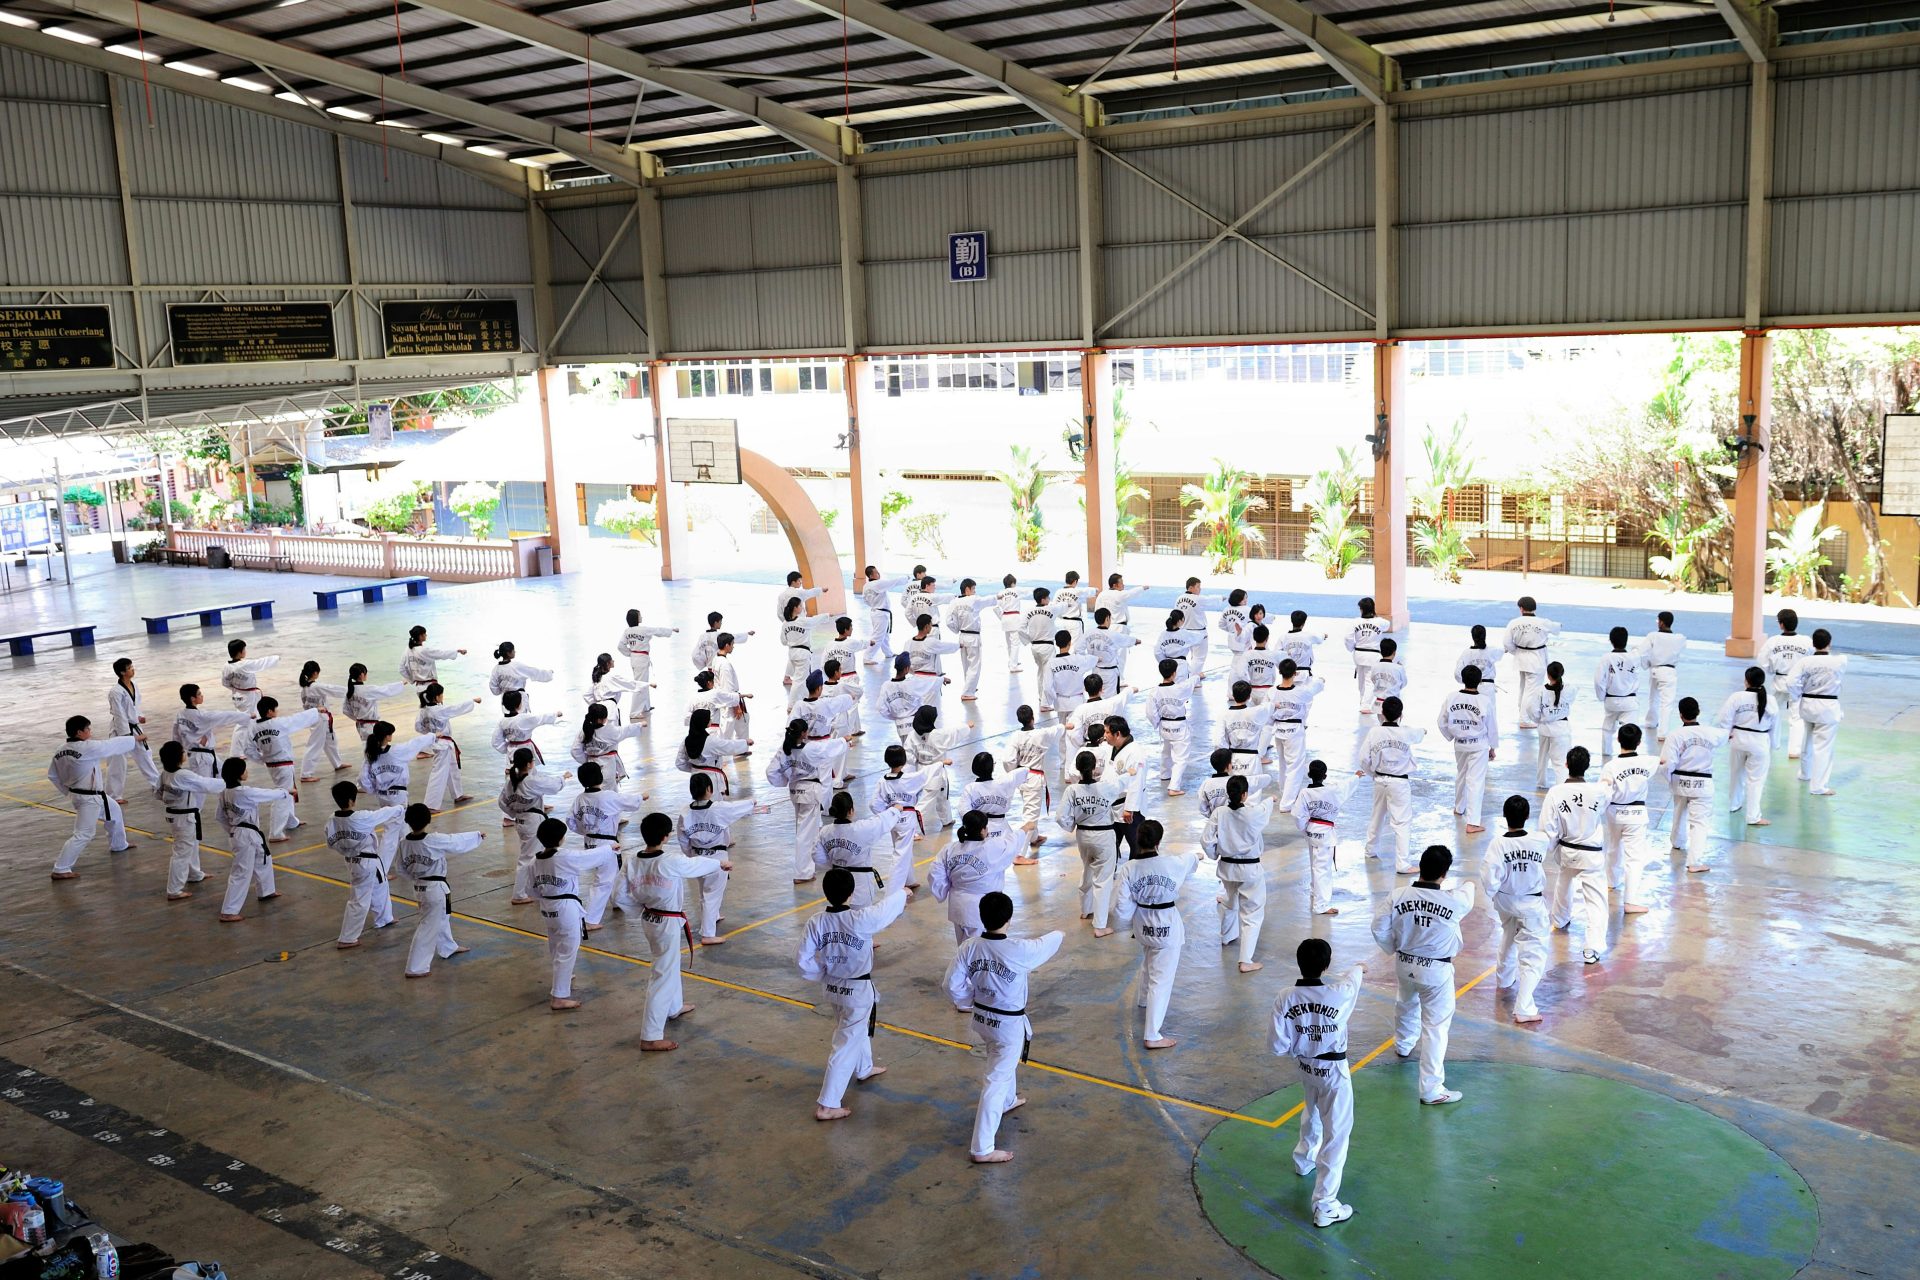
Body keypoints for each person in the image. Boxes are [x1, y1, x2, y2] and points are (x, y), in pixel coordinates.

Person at [943, 890, 1064, 1164]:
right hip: (1008, 1024)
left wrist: (968, 1001)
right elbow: (1048, 943)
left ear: (982, 917)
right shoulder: (1018, 950)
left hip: (983, 1018)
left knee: (999, 1060)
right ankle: (982, 1147)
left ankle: (1008, 1101)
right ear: (1009, 918)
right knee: (995, 1078)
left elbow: (950, 984)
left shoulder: (969, 947)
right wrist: (1061, 932)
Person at [797, 870, 911, 1119]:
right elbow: (884, 911)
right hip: (856, 991)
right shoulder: (860, 918)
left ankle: (864, 1067)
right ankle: (828, 1104)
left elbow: (803, 959)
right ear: (851, 893)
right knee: (845, 1042)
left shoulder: (816, 921)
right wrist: (902, 893)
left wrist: (822, 974)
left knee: (851, 1028)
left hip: (833, 988)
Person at [1269, 937, 1365, 1229]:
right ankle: (1325, 1205)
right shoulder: (1339, 993)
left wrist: (1301, 1046)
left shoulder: (1285, 996)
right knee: (1337, 1134)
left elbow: (1276, 1045)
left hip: (1306, 1065)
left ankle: (1304, 1159)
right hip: (1333, 1070)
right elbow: (1354, 979)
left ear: (1299, 964)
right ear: (1326, 966)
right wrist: (1360, 966)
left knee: (1312, 1110)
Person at [1372, 844, 1475, 1105]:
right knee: (1435, 1027)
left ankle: (1404, 1045)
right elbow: (1470, 890)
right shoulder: (1454, 900)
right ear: (1445, 873)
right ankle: (1431, 1090)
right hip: (1436, 971)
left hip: (1404, 962)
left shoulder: (1398, 895)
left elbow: (1378, 928)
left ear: (1420, 866)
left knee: (1405, 1003)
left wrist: (1392, 948)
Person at [631, 811, 727, 1044]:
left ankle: (673, 1006)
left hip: (650, 918)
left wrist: (642, 911)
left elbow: (621, 895)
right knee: (662, 973)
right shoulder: (669, 861)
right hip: (666, 921)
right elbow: (694, 865)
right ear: (666, 836)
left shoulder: (633, 861)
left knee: (668, 963)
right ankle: (650, 1036)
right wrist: (720, 863)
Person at [1112, 819, 1198, 1049]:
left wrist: (1135, 912)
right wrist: (1196, 857)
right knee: (1162, 979)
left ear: (1138, 840)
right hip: (1167, 926)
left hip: (1142, 925)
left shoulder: (1129, 868)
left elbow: (1121, 908)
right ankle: (1152, 1034)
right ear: (1159, 842)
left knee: (1149, 960)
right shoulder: (1171, 864)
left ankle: (1142, 1000)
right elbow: (1190, 860)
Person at [48, 715, 143, 880]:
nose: (90, 732)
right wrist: (134, 739)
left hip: (89, 795)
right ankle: (61, 868)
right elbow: (110, 745)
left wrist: (68, 792)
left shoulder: (60, 750)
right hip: (89, 799)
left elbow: (53, 776)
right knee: (84, 833)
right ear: (79, 732)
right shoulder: (87, 747)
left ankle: (119, 844)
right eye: (88, 729)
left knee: (114, 812)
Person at [395, 803, 485, 977]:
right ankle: (415, 968)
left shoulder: (403, 843)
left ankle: (447, 947)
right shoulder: (433, 840)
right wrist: (477, 836)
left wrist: (417, 876)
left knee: (442, 916)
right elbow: (455, 842)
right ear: (428, 820)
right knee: (428, 925)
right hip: (435, 888)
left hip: (421, 887)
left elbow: (400, 869)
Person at [1483, 794, 1548, 1024]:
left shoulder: (1497, 844)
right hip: (1531, 903)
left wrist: (1494, 894)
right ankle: (1524, 1007)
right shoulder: (1539, 840)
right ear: (1528, 816)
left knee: (1509, 936)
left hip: (1505, 900)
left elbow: (1489, 877)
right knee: (1534, 954)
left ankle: (1503, 979)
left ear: (1504, 817)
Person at [528, 817, 604, 1012]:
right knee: (567, 950)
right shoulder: (564, 857)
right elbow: (588, 858)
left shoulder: (534, 862)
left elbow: (531, 892)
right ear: (562, 838)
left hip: (547, 907)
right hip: (565, 907)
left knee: (555, 943)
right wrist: (609, 849)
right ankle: (559, 997)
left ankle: (563, 975)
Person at [1543, 746, 1610, 965]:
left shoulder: (1555, 792)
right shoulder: (1598, 792)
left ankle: (1559, 919)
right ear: (1587, 767)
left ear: (1566, 765)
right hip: (1591, 855)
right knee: (1596, 901)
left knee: (1565, 880)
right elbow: (1608, 790)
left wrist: (1550, 849)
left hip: (1567, 850)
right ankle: (1592, 947)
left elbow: (1547, 827)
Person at [567, 760, 648, 929]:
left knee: (612, 875)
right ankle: (590, 919)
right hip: (606, 844)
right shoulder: (607, 796)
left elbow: (571, 821)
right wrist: (642, 797)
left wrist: (586, 831)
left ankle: (617, 900)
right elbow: (628, 801)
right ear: (600, 777)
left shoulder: (579, 799)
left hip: (589, 842)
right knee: (603, 881)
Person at [1208, 773, 1276, 973]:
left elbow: (1207, 840)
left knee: (1230, 901)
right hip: (1249, 870)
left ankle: (1226, 937)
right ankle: (1245, 960)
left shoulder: (1219, 813)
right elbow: (1265, 808)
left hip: (1227, 868)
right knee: (1252, 913)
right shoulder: (1253, 813)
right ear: (1245, 794)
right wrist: (1270, 799)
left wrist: (1216, 854)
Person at [769, 719, 851, 881]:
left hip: (795, 790)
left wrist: (785, 780)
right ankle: (802, 872)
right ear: (804, 733)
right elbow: (829, 748)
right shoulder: (811, 748)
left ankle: (810, 865)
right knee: (805, 833)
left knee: (808, 830)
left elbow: (771, 772)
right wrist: (844, 741)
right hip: (810, 792)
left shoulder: (784, 750)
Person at [211, 756, 289, 921]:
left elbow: (220, 817)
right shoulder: (243, 792)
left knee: (263, 858)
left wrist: (232, 830)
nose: (247, 771)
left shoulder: (225, 793)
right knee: (241, 872)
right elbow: (266, 794)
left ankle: (266, 891)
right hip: (245, 834)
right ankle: (229, 911)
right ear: (239, 774)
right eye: (244, 769)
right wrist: (285, 792)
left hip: (243, 833)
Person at [328, 780, 405, 947]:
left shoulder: (332, 820)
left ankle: (384, 918)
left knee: (380, 883)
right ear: (351, 800)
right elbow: (382, 814)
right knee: (360, 899)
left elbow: (331, 842)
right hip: (365, 861)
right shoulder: (360, 817)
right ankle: (347, 938)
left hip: (354, 860)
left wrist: (347, 849)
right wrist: (400, 808)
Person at [928, 811, 1023, 945]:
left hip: (958, 903)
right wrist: (1025, 829)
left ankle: (962, 965)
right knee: (975, 949)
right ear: (983, 830)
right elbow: (1012, 844)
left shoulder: (950, 849)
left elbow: (934, 873)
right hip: (981, 908)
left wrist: (943, 891)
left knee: (963, 946)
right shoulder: (991, 847)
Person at [1060, 750, 1127, 937]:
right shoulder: (1105, 787)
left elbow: (1060, 817)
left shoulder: (1072, 790)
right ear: (1095, 767)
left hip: (1083, 834)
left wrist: (1072, 825)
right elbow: (1122, 783)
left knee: (1088, 869)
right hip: (1104, 836)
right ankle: (1100, 925)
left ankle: (1085, 909)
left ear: (1078, 769)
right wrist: (1129, 772)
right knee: (1103, 880)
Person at [1354, 696, 1424, 873]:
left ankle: (1370, 850)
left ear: (1382, 713)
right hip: (1399, 782)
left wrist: (1373, 774)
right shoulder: (1407, 732)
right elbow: (1420, 733)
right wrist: (1424, 731)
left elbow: (1363, 758)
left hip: (1380, 780)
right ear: (1401, 715)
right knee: (1401, 822)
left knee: (1377, 816)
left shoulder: (1374, 732)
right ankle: (1403, 864)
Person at [359, 721, 439, 869]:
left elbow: (363, 779)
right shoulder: (397, 751)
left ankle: (410, 859)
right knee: (390, 834)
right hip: (398, 797)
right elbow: (415, 743)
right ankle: (380, 869)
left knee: (403, 829)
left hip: (383, 796)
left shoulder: (371, 754)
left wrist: (373, 790)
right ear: (388, 736)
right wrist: (433, 736)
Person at [242, 695, 322, 841]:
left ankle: (291, 821)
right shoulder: (277, 723)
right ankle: (275, 832)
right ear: (270, 711)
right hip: (283, 764)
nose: (277, 712)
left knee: (287, 791)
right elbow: (296, 719)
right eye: (275, 709)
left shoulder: (253, 727)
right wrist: (316, 711)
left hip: (272, 765)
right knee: (283, 795)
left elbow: (248, 749)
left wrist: (262, 759)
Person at [1660, 698, 1727, 873]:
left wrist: (1670, 779)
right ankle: (1694, 862)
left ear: (1681, 715)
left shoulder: (1675, 735)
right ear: (1699, 712)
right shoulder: (1711, 733)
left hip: (1680, 780)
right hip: (1703, 783)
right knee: (1699, 822)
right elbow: (1725, 735)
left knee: (1679, 810)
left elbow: (1667, 764)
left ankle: (1677, 842)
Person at [500, 748, 570, 904]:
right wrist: (563, 778)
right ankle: (518, 895)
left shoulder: (511, 782)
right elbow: (552, 786)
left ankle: (535, 886)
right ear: (529, 764)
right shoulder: (530, 781)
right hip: (531, 821)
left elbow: (502, 802)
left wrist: (514, 813)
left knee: (534, 855)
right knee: (527, 858)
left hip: (522, 820)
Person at [1599, 723, 1656, 915]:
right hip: (1637, 815)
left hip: (1614, 813)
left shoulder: (1611, 766)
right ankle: (1630, 901)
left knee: (1614, 847)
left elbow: (1604, 791)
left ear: (1618, 740)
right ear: (1639, 742)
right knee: (1634, 857)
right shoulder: (1647, 762)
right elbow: (1664, 760)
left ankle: (1611, 881)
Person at [153, 740, 220, 899]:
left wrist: (172, 800)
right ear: (178, 757)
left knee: (191, 844)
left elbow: (157, 794)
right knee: (181, 852)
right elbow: (205, 784)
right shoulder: (183, 775)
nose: (185, 754)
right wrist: (228, 782)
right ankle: (174, 890)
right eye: (183, 752)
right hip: (183, 816)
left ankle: (194, 874)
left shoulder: (164, 774)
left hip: (176, 815)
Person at [1436, 667, 1498, 834]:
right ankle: (1472, 822)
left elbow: (1441, 722)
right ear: (1479, 681)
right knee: (1475, 781)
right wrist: (1492, 747)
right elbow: (1491, 727)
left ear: (1462, 679)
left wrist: (1452, 736)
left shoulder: (1451, 697)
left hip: (1460, 743)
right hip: (1479, 745)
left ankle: (1459, 807)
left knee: (1462, 774)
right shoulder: (1484, 701)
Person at [1787, 629, 1846, 796]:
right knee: (1823, 747)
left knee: (1808, 738)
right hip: (1828, 706)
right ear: (1830, 643)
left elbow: (1791, 681)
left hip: (1807, 704)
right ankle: (1818, 786)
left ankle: (1805, 774)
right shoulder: (1840, 661)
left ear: (1813, 644)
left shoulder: (1805, 662)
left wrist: (1797, 695)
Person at [1718, 667, 1777, 826]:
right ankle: (1753, 816)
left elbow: (1724, 717)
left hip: (1738, 739)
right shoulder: (1770, 700)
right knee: (1756, 780)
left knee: (1736, 774)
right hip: (1760, 742)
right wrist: (1774, 744)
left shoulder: (1737, 697)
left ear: (1746, 680)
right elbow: (1775, 725)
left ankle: (1734, 804)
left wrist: (1727, 733)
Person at [1294, 760, 1352, 916]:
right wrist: (1356, 777)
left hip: (1311, 830)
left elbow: (1298, 815)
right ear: (1325, 775)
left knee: (1315, 863)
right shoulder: (1332, 791)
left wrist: (1304, 829)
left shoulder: (1305, 793)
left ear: (1310, 775)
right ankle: (1321, 905)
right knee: (1322, 869)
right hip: (1325, 832)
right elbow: (1345, 788)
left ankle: (1315, 892)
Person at [871, 744, 933, 887]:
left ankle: (909, 880)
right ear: (904, 761)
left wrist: (887, 814)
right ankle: (895, 887)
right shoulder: (909, 778)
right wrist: (941, 763)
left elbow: (874, 804)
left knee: (903, 849)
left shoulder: (882, 781)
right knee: (901, 853)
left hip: (893, 818)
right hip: (907, 819)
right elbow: (926, 774)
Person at [415, 683, 483, 811]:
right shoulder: (439, 710)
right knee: (439, 773)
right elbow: (456, 708)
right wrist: (472, 701)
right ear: (436, 697)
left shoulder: (423, 710)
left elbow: (418, 727)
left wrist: (431, 734)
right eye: (441, 694)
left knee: (453, 769)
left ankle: (458, 795)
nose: (442, 697)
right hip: (442, 745)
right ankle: (430, 805)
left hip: (439, 743)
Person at [1757, 608, 1814, 757]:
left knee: (1770, 713)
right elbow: (1812, 662)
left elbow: (1763, 662)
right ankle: (1794, 750)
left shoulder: (1773, 642)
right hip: (1798, 685)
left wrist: (1772, 670)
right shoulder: (1807, 641)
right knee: (1797, 717)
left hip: (1779, 682)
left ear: (1781, 624)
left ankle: (1769, 743)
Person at [1268, 659, 1325, 810]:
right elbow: (1314, 688)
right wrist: (1320, 680)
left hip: (1279, 730)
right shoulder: (1300, 692)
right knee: (1295, 767)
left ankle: (1284, 792)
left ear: (1279, 672)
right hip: (1294, 731)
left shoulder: (1272, 692)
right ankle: (1287, 802)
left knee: (1283, 764)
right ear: (1295, 673)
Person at [170, 683, 253, 778]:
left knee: (224, 779)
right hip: (200, 759)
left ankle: (229, 792)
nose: (202, 695)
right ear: (193, 698)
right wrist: (248, 716)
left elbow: (176, 737)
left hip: (201, 755)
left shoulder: (180, 715)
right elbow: (225, 716)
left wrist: (177, 754)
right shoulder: (201, 716)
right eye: (199, 694)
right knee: (200, 788)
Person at [104, 658, 159, 799]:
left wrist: (139, 716)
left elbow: (134, 706)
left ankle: (158, 785)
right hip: (120, 731)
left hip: (134, 727)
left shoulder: (133, 685)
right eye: (129, 668)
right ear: (122, 672)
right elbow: (119, 714)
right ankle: (114, 796)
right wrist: (129, 737)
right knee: (118, 763)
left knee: (145, 755)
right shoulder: (115, 692)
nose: (133, 669)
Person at [1145, 659, 1202, 797]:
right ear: (1174, 673)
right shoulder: (1180, 688)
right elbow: (1192, 681)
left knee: (1166, 750)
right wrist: (1198, 676)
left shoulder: (1154, 692)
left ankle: (1165, 774)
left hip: (1164, 726)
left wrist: (1157, 723)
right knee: (1180, 758)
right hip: (1179, 726)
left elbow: (1150, 712)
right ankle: (1174, 787)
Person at [1000, 705, 1052, 853]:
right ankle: (1020, 853)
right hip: (1034, 779)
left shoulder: (1015, 736)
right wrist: (1065, 725)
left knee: (1030, 808)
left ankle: (1034, 838)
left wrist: (1014, 773)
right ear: (1032, 718)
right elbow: (1054, 731)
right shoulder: (1041, 734)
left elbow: (1007, 760)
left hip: (1022, 777)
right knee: (1031, 816)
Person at [1503, 597, 1560, 726]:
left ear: (1521, 608)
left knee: (1523, 688)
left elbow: (1507, 643)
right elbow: (1557, 628)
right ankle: (1524, 719)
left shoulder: (1514, 623)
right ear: (1534, 608)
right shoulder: (1543, 622)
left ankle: (1522, 713)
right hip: (1536, 659)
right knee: (1531, 691)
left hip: (1521, 658)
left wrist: (1517, 652)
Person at [904, 705, 961, 832]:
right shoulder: (938, 735)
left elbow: (908, 755)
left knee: (942, 796)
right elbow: (954, 732)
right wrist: (968, 726)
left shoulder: (912, 735)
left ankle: (946, 820)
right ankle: (911, 828)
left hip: (921, 769)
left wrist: (918, 761)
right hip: (936, 772)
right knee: (926, 801)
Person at [1593, 627, 1646, 758]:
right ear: (1626, 640)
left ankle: (1606, 754)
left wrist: (1602, 697)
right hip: (1629, 701)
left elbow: (1599, 680)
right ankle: (1630, 754)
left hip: (1611, 700)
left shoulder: (1606, 658)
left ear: (1611, 641)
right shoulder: (1635, 657)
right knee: (1630, 729)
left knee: (1607, 727)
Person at [569, 703, 648, 790]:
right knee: (609, 793)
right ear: (600, 720)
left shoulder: (584, 731)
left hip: (591, 767)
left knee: (594, 791)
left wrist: (586, 761)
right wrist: (640, 724)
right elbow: (625, 730)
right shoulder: (609, 730)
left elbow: (575, 750)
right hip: (607, 767)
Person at [616, 609, 677, 722]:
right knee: (640, 684)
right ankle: (634, 712)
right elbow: (657, 631)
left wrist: (630, 653)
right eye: (640, 615)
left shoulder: (627, 631)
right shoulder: (643, 629)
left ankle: (645, 706)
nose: (641, 617)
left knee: (643, 682)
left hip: (635, 658)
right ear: (636, 618)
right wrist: (671, 630)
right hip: (642, 658)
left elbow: (620, 646)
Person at [296, 661, 352, 782]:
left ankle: (337, 763)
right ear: (316, 673)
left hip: (316, 718)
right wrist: (351, 691)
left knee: (331, 740)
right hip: (319, 718)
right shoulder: (315, 686)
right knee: (315, 745)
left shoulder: (304, 689)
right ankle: (305, 774)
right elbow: (332, 689)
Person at [221, 639, 280, 754]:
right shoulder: (244, 665)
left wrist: (237, 690)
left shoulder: (226, 666)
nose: (245, 651)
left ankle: (254, 745)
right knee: (245, 722)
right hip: (248, 697)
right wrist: (276, 658)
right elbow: (261, 663)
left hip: (238, 696)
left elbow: (225, 683)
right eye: (244, 649)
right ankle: (237, 752)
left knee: (251, 719)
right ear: (240, 652)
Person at [676, 709, 750, 798]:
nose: (711, 720)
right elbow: (728, 746)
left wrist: (695, 769)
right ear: (703, 722)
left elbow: (680, 763)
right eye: (709, 719)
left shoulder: (685, 741)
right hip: (711, 780)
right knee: (714, 805)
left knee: (700, 803)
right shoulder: (710, 741)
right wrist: (745, 742)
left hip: (695, 779)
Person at [943, 581, 997, 701]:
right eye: (973, 589)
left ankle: (970, 687)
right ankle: (968, 692)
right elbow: (988, 601)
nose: (975, 592)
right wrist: (998, 597)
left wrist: (956, 629)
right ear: (967, 589)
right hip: (973, 637)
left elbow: (948, 621)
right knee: (974, 665)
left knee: (966, 664)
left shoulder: (954, 601)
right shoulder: (974, 600)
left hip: (962, 635)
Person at [1523, 661, 1574, 788]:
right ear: (1562, 673)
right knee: (1560, 763)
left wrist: (1539, 719)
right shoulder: (1569, 689)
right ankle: (1561, 787)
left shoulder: (1540, 691)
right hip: (1561, 729)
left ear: (1548, 675)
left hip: (1545, 728)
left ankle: (1541, 782)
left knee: (1542, 757)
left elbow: (1530, 708)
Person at [1640, 612, 1687, 741]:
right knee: (1666, 703)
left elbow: (1642, 653)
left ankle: (1650, 722)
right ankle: (1662, 733)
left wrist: (1647, 664)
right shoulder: (1680, 638)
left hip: (1654, 669)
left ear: (1661, 622)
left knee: (1653, 698)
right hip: (1669, 671)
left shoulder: (1653, 636)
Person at [959, 752, 1024, 839]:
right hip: (1003, 831)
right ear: (992, 767)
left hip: (980, 831)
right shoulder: (1004, 783)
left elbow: (963, 812)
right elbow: (1024, 771)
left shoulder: (970, 788)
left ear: (974, 768)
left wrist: (974, 827)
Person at [491, 690, 561, 767]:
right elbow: (541, 718)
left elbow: (495, 742)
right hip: (526, 750)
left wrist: (508, 747)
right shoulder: (524, 718)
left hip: (511, 752)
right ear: (519, 705)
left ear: (504, 705)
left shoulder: (502, 721)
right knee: (528, 772)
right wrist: (556, 714)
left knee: (512, 770)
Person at [341, 665, 406, 743]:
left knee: (367, 746)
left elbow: (345, 710)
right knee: (373, 748)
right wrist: (402, 683)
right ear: (362, 675)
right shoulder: (368, 690)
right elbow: (386, 690)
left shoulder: (349, 691)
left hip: (360, 725)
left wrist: (358, 718)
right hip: (371, 726)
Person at [859, 566, 911, 665]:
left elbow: (865, 600)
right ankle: (867, 657)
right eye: (876, 572)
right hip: (880, 613)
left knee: (884, 635)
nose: (879, 574)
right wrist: (906, 578)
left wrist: (875, 604)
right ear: (871, 575)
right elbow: (893, 582)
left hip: (876, 612)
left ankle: (888, 653)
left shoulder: (866, 586)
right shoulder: (877, 583)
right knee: (878, 636)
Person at [487, 641, 554, 714]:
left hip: (506, 703)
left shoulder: (496, 669)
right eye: (513, 650)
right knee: (522, 721)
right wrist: (549, 674)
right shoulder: (516, 666)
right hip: (519, 700)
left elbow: (494, 688)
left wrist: (504, 690)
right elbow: (534, 672)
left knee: (509, 722)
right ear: (509, 653)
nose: (515, 652)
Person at [1345, 598, 1387, 714]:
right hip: (1373, 655)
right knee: (1369, 681)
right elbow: (1387, 625)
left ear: (1361, 609)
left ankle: (1362, 701)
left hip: (1358, 653)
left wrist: (1351, 648)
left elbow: (1347, 638)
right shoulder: (1380, 622)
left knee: (1361, 680)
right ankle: (1365, 705)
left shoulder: (1355, 622)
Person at [780, 596, 828, 690]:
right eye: (800, 606)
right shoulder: (802, 621)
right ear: (795, 608)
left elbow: (783, 641)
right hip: (803, 654)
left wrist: (793, 640)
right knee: (800, 681)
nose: (802, 608)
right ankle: (792, 704)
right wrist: (826, 615)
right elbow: (814, 620)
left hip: (792, 653)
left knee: (800, 680)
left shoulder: (785, 623)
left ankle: (800, 700)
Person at [1020, 588, 1058, 704]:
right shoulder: (1051, 609)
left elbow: (1020, 628)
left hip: (1035, 647)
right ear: (1043, 599)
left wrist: (1029, 640)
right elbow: (1063, 606)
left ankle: (1042, 698)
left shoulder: (1028, 611)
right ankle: (1045, 703)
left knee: (1041, 672)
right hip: (1047, 647)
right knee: (1048, 674)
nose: (1049, 600)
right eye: (1048, 597)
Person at [583, 653, 639, 728]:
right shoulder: (611, 677)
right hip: (610, 709)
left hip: (599, 710)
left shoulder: (596, 678)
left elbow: (586, 695)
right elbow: (629, 684)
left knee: (600, 732)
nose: (613, 661)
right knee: (612, 733)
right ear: (608, 663)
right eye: (612, 660)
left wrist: (596, 704)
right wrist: (648, 684)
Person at [400, 625, 463, 690]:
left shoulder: (407, 650)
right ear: (420, 636)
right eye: (425, 634)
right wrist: (457, 651)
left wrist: (412, 680)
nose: (426, 635)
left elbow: (402, 669)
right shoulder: (424, 650)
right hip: (431, 687)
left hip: (418, 687)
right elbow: (441, 654)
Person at [1153, 611, 1203, 686]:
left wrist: (1165, 663)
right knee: (1181, 689)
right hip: (1181, 666)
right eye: (1183, 619)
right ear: (1179, 621)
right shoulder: (1185, 633)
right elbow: (1200, 637)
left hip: (1168, 666)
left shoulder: (1163, 634)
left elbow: (1157, 652)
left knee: (1169, 688)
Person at [1364, 637, 1408, 719]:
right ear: (1394, 652)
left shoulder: (1375, 666)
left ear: (1381, 651)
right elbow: (1404, 683)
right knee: (1394, 727)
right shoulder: (1398, 668)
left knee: (1382, 725)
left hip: (1379, 704)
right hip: (1393, 705)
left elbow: (1373, 680)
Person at [1454, 624, 1501, 695]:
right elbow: (1505, 649)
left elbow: (1457, 674)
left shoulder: (1466, 653)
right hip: (1488, 688)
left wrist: (1467, 682)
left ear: (1472, 637)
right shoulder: (1492, 651)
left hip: (1471, 689)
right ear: (1484, 636)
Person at [1276, 611, 1325, 679]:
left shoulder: (1283, 637)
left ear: (1291, 621)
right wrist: (1324, 636)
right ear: (1304, 623)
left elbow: (1276, 655)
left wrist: (1283, 670)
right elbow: (1319, 639)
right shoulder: (1308, 635)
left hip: (1289, 675)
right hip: (1305, 674)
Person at [1055, 569, 1093, 638]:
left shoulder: (1058, 592)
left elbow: (1055, 608)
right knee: (1076, 647)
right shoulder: (1077, 591)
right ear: (1075, 581)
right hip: (1075, 623)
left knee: (1063, 645)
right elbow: (1091, 591)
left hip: (1062, 623)